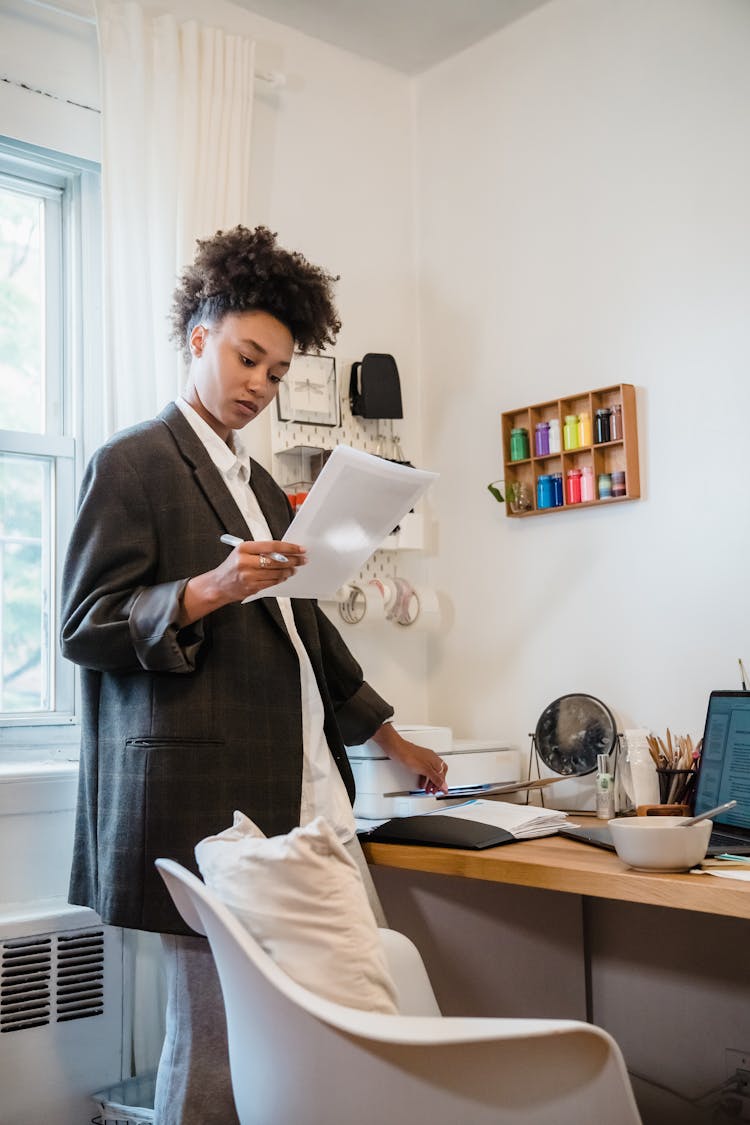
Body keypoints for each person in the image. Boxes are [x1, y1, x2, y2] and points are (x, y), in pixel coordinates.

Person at [60, 225, 448, 1125]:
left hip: (305, 781)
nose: (259, 386)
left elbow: (305, 627)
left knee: (334, 1027)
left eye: (276, 372)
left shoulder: (267, 488)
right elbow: (86, 626)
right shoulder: (132, 464)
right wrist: (210, 587)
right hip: (204, 795)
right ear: (199, 337)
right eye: (247, 357)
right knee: (212, 1037)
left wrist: (390, 734)